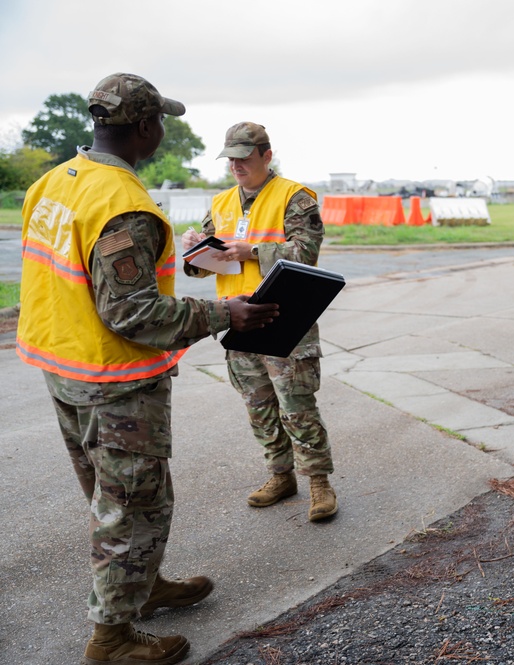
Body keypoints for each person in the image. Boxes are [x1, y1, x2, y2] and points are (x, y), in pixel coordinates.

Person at [16, 73, 278, 664]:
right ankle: (110, 638)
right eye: (160, 121)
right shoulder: (123, 204)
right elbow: (131, 312)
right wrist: (224, 314)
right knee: (134, 508)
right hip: (114, 385)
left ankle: (142, 585)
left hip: (63, 369)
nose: (163, 130)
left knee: (111, 498)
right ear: (142, 127)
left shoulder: (53, 182)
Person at [181, 122, 337, 523]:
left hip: (286, 317)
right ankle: (280, 476)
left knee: (297, 406)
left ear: (266, 156)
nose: (235, 166)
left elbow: (306, 253)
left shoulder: (295, 197)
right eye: (230, 158)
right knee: (260, 407)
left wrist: (252, 251)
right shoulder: (220, 203)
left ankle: (319, 483)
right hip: (238, 318)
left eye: (244, 158)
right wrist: (194, 252)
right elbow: (202, 270)